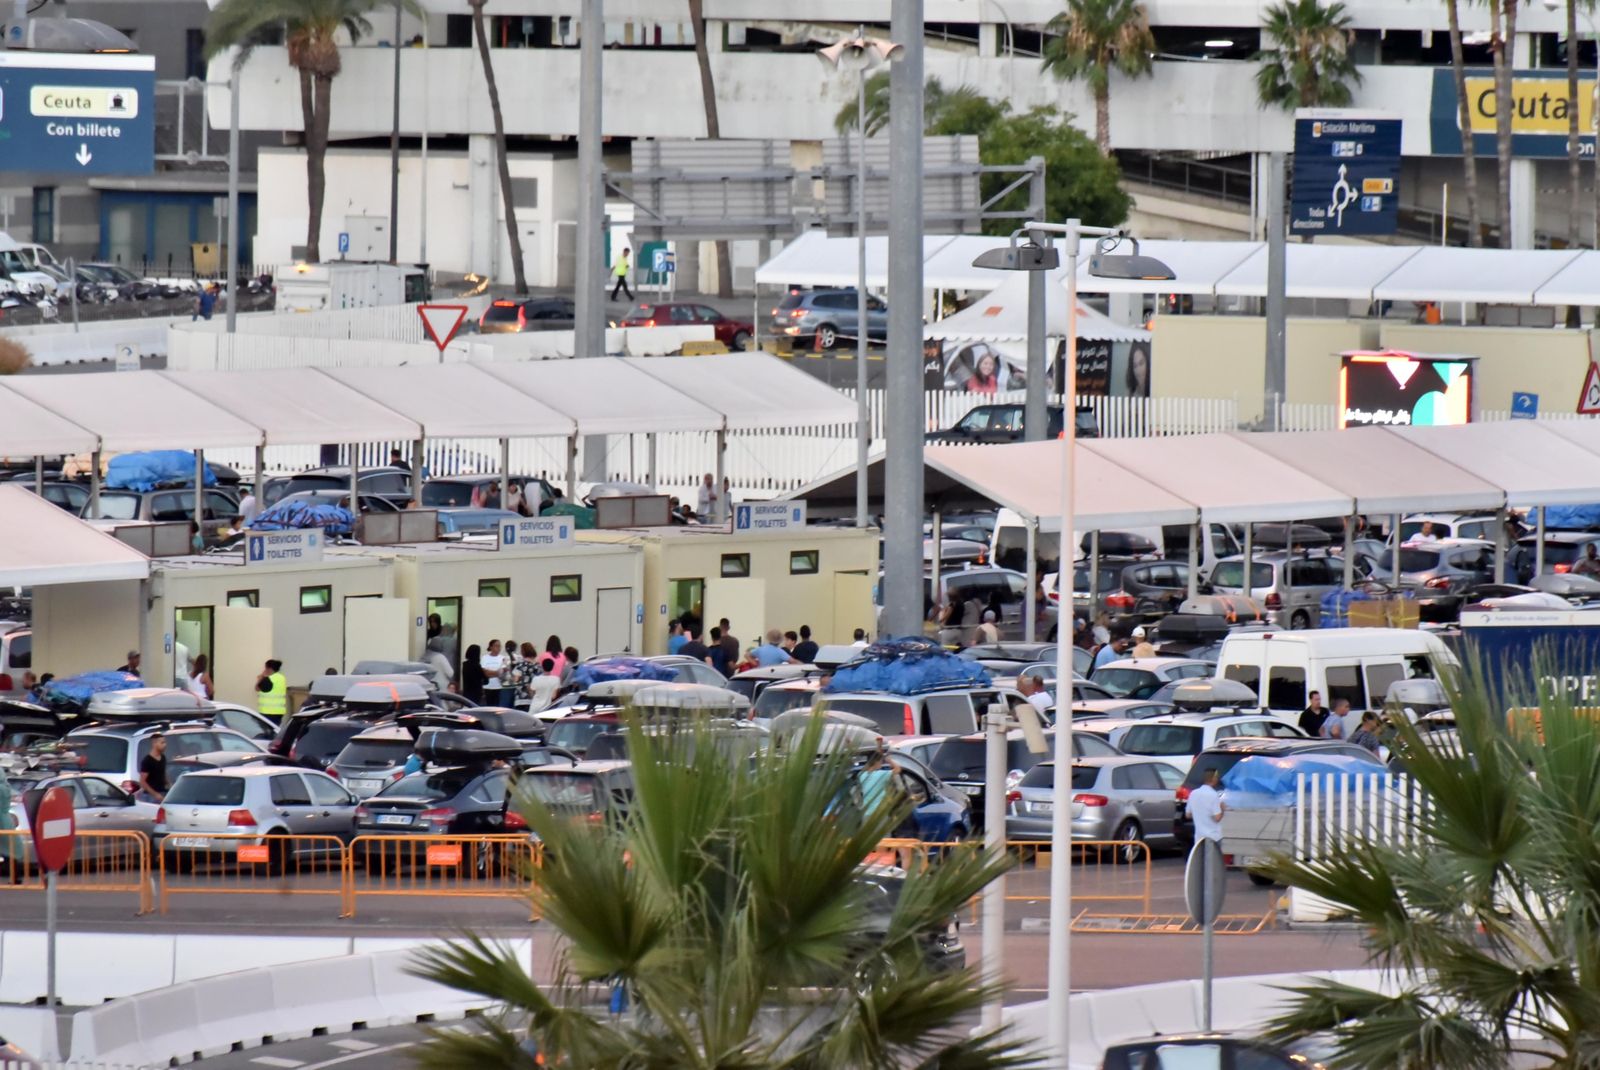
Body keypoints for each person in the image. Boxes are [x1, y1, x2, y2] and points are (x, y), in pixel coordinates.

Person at [1188, 766, 1225, 845]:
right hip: (1213, 836)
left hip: (1199, 837)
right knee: (1212, 857)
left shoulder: (1193, 793)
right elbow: (1217, 818)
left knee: (1200, 857)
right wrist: (1222, 808)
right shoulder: (1214, 795)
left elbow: (1188, 815)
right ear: (1214, 778)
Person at [139, 733, 170, 803]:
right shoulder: (147, 761)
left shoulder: (163, 757)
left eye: (165, 742)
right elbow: (142, 782)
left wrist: (170, 785)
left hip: (163, 792)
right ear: (154, 743)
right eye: (162, 743)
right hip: (150, 796)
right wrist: (155, 794)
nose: (165, 745)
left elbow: (163, 773)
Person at [480, 639, 506, 706]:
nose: (498, 648)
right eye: (496, 646)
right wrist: (497, 673)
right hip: (487, 687)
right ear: (491, 647)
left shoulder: (502, 658)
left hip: (499, 687)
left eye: (499, 646)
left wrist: (491, 673)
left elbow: (503, 672)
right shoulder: (485, 658)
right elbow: (485, 673)